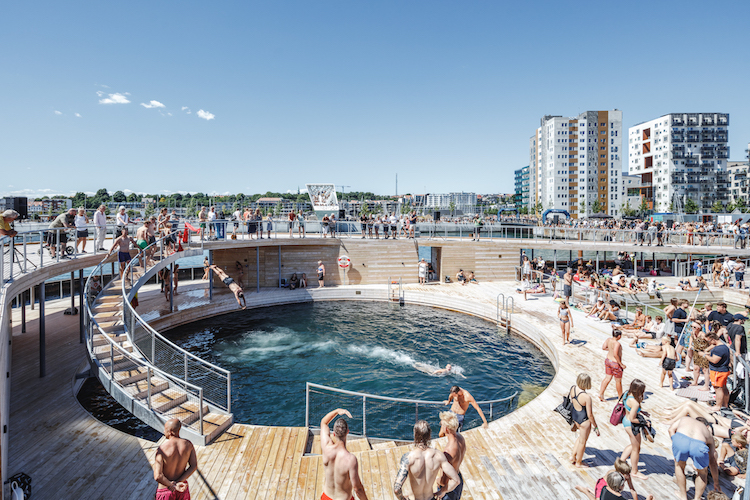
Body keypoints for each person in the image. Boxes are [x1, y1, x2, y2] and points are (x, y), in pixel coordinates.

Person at [393, 420, 459, 500]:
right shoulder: (438, 455)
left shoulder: (409, 458)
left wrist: (403, 499)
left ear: (415, 434)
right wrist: (442, 491)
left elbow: (397, 489)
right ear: (429, 435)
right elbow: (456, 480)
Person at [319, 408, 368, 500]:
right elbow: (358, 489)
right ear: (347, 432)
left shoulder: (326, 448)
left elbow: (324, 423)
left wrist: (337, 411)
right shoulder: (350, 460)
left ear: (333, 434)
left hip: (327, 497)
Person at [669, 416, 721, 500]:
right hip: (699, 443)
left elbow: (671, 429)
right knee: (703, 472)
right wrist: (716, 482)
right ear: (707, 426)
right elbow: (713, 461)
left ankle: (683, 496)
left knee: (679, 466)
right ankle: (697, 498)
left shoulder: (685, 418)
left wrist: (675, 441)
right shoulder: (708, 433)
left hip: (681, 439)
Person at [152, 419, 197, 500]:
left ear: (170, 431)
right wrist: (178, 483)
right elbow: (194, 466)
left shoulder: (162, 449)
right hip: (182, 487)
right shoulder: (188, 444)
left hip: (166, 489)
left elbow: (158, 476)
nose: (163, 431)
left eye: (165, 429)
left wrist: (171, 485)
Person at [568, 373, 600, 469]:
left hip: (575, 416)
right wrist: (596, 426)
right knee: (583, 442)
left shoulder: (572, 388)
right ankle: (579, 462)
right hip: (584, 420)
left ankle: (573, 456)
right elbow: (590, 415)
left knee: (580, 438)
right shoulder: (586, 397)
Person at [620, 379, 647, 479]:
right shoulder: (635, 402)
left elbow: (629, 409)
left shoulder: (627, 394)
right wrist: (645, 422)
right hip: (631, 425)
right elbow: (633, 418)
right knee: (636, 448)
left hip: (625, 420)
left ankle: (622, 460)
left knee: (633, 444)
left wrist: (641, 412)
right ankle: (635, 471)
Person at [437, 411, 466, 500]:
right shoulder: (460, 438)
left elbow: (444, 481)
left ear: (446, 428)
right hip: (458, 479)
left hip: (449, 488)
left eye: (441, 425)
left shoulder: (448, 452)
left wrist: (437, 481)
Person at [702, 332, 732, 408]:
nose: (708, 344)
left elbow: (714, 360)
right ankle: (725, 404)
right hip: (724, 370)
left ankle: (718, 406)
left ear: (713, 340)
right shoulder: (724, 347)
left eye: (709, 341)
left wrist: (704, 355)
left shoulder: (718, 349)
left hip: (717, 371)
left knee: (718, 388)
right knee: (723, 387)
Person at [598, 329, 625, 401]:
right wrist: (621, 364)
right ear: (619, 336)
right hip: (615, 363)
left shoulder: (608, 340)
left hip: (608, 361)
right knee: (618, 381)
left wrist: (610, 349)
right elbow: (615, 354)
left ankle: (601, 394)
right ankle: (620, 398)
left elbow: (604, 347)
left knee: (607, 378)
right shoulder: (617, 344)